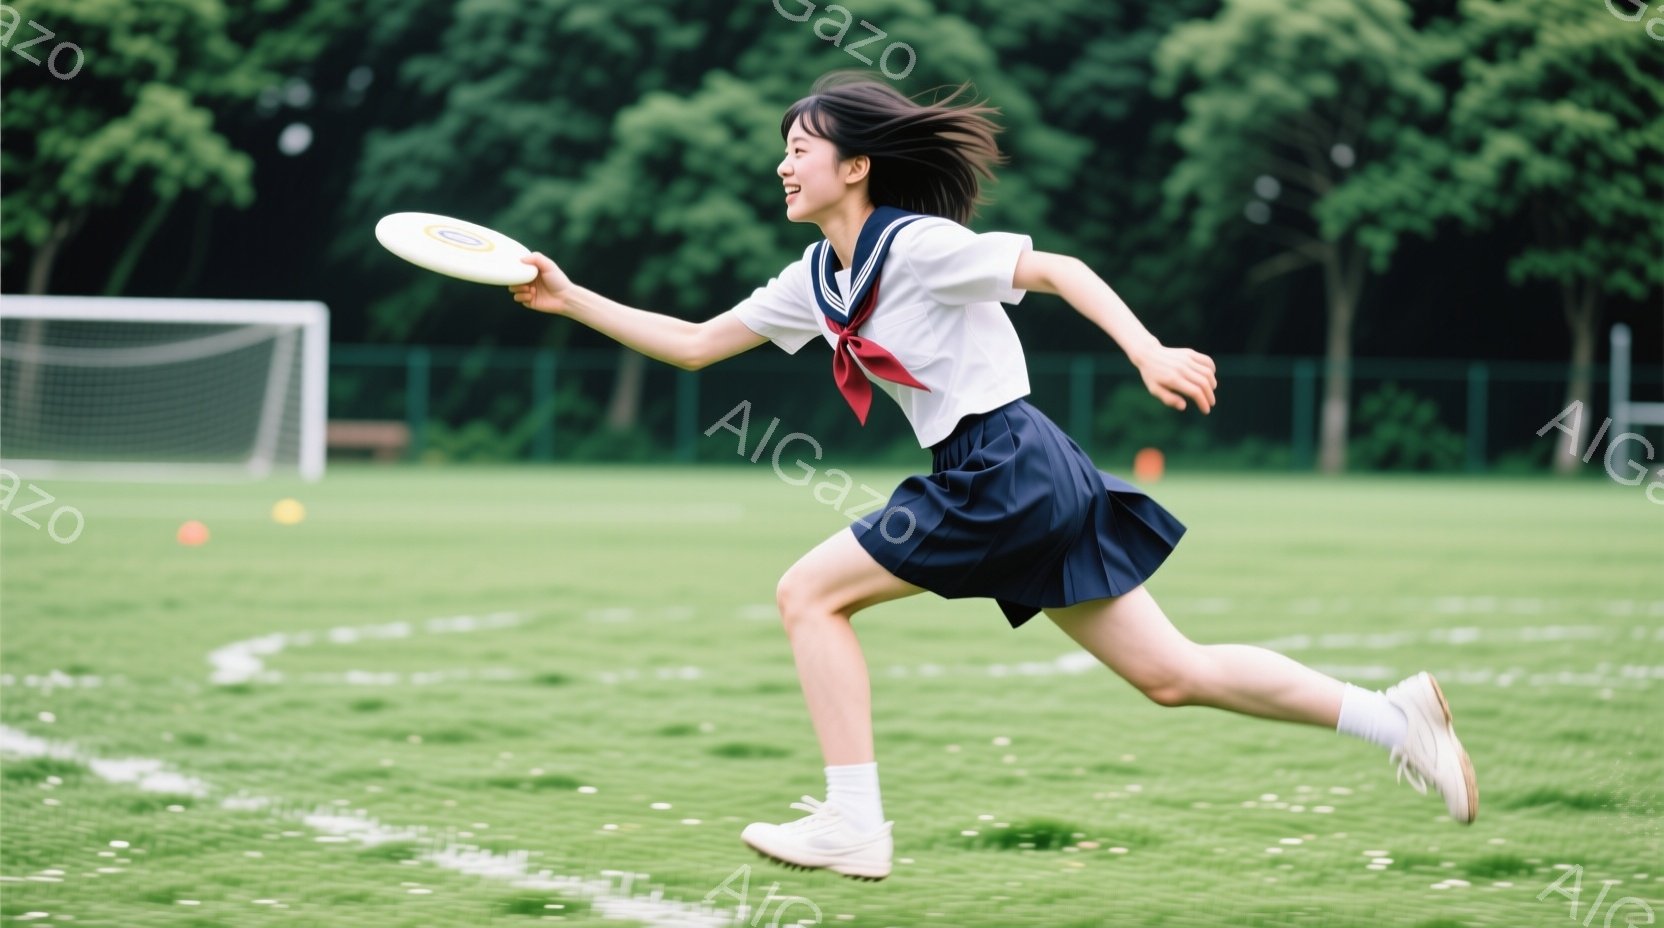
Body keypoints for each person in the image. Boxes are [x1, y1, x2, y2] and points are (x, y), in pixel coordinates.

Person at [508, 73, 1477, 882]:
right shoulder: (812, 278)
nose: (781, 163)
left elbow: (1059, 269)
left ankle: (854, 819)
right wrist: (566, 299)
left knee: (806, 592)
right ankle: (1390, 717)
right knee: (1170, 675)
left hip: (1002, 462)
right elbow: (689, 344)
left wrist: (1146, 351)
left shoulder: (918, 246)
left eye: (798, 148)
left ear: (855, 166)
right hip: (1016, 469)